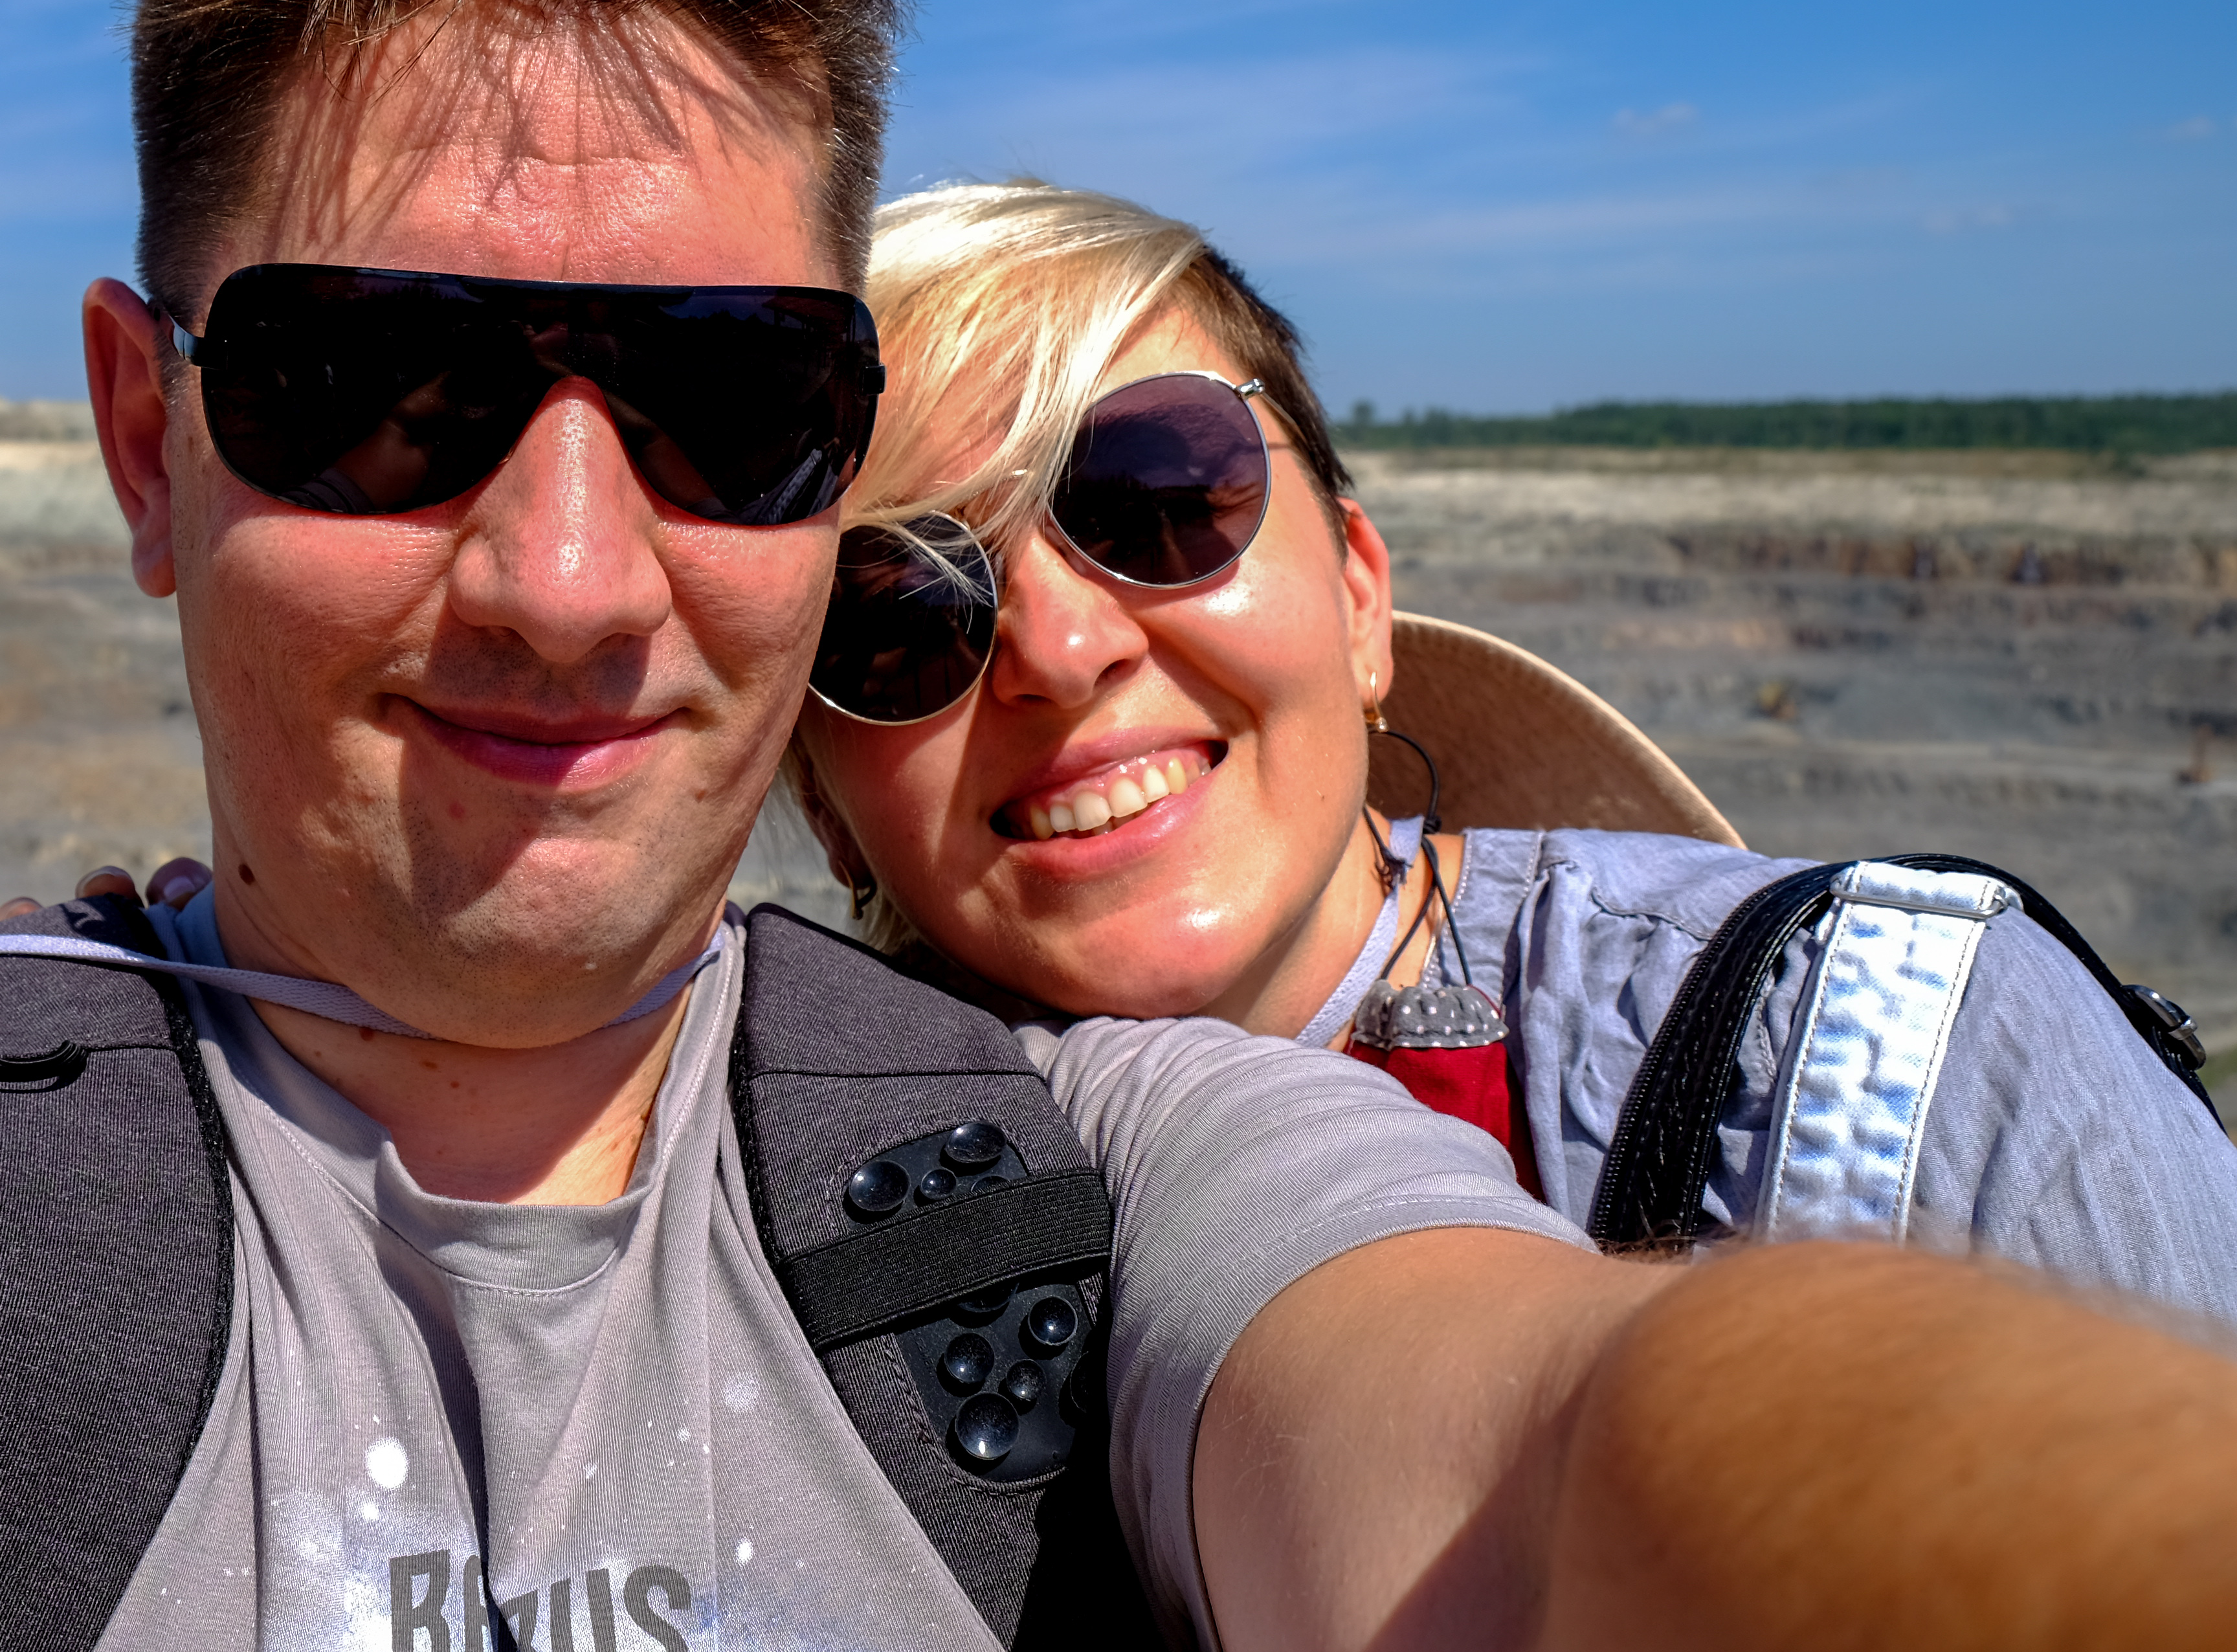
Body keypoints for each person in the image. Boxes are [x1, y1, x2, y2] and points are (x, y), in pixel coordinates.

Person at [0, 0, 2237, 1652]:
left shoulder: (1100, 1155)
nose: (573, 580)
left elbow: (1558, 1468)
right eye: (385, 389)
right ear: (146, 438)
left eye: (731, 411)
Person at [786, 177, 2237, 1326]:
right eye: (894, 607)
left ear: (1360, 599)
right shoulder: (768, 1242)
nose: (1060, 649)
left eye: (1150, 499)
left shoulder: (1935, 1067)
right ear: (825, 804)